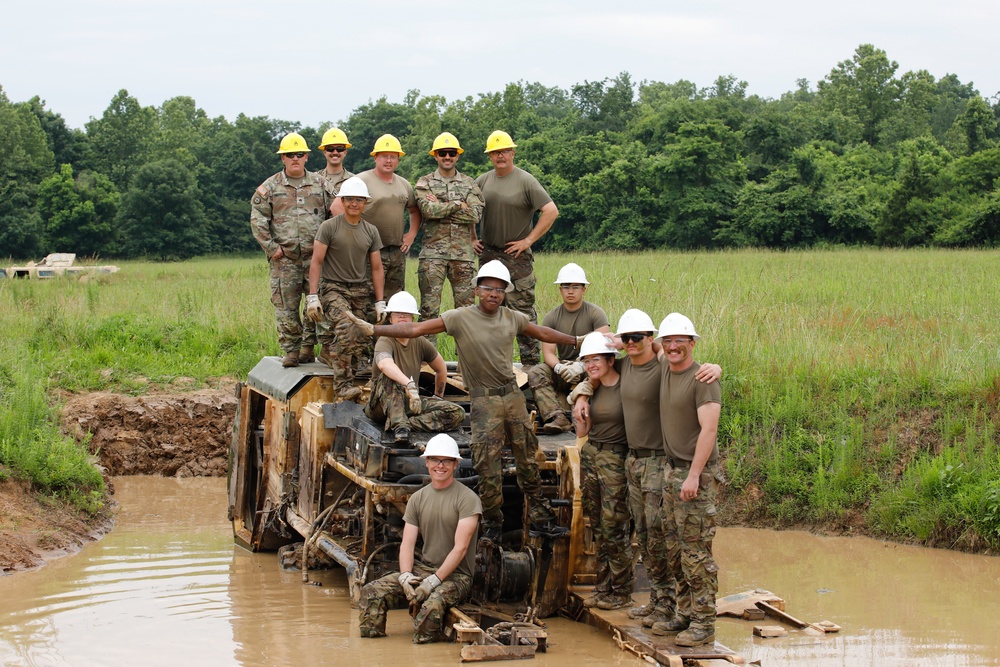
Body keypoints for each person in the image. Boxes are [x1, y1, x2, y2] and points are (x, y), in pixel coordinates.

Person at [348, 260, 583, 540]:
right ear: (476, 290)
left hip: (513, 397)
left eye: (499, 289)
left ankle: (541, 520)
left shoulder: (512, 317)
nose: (493, 294)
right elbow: (414, 329)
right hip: (484, 402)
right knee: (488, 467)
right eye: (488, 288)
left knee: (528, 461)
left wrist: (576, 340)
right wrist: (375, 330)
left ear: (505, 293)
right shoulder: (459, 318)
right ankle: (493, 527)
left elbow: (542, 332)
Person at [572, 309, 720, 631]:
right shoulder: (624, 365)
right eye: (626, 338)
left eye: (638, 337)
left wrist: (715, 367)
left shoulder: (664, 365)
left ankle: (670, 605)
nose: (632, 342)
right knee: (643, 532)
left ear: (650, 338)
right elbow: (598, 369)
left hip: (659, 461)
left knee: (659, 536)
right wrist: (582, 393)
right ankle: (658, 600)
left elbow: (685, 362)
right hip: (633, 461)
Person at [358, 434, 482, 643]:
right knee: (372, 592)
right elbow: (407, 544)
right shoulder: (418, 499)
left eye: (446, 461)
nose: (440, 465)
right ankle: (372, 648)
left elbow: (460, 548)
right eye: (435, 460)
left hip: (457, 576)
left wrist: (434, 581)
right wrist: (406, 576)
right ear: (426, 462)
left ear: (455, 464)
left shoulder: (468, 499)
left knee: (431, 606)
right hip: (424, 569)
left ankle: (425, 648)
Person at [648, 314, 722, 648]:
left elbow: (709, 430)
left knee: (696, 552)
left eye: (680, 340)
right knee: (674, 548)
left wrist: (693, 475)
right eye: (668, 340)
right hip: (671, 471)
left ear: (693, 343)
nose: (673, 346)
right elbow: (646, 344)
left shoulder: (703, 379)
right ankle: (685, 613)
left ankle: (704, 623)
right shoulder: (666, 364)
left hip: (696, 475)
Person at [474, 130, 558, 368]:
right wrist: (472, 237)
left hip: (516, 256)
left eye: (504, 151)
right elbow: (468, 209)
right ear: (490, 156)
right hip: (489, 255)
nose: (500, 156)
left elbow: (551, 211)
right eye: (495, 152)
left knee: (522, 312)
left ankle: (531, 367)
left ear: (512, 153)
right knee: (489, 310)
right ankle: (491, 365)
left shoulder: (526, 180)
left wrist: (528, 240)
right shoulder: (482, 181)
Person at [250, 132, 330, 367]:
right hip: (285, 259)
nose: (295, 158)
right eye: (290, 154)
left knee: (318, 303)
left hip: (316, 258)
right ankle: (292, 350)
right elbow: (258, 219)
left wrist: (330, 246)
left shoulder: (320, 184)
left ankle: (309, 347)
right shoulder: (270, 187)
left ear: (306, 157)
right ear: (282, 158)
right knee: (286, 307)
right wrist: (271, 247)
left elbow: (335, 213)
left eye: (299, 154)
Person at [305, 176, 384, 402]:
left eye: (359, 200)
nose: (354, 204)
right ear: (342, 201)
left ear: (365, 203)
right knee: (346, 327)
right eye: (349, 199)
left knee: (361, 334)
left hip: (359, 289)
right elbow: (316, 262)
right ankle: (343, 386)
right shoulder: (329, 227)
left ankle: (336, 359)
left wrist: (380, 301)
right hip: (333, 287)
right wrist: (312, 296)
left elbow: (377, 268)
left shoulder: (371, 231)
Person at [574, 332, 633, 611]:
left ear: (611, 360)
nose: (591, 365)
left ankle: (621, 590)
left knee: (614, 525)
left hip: (615, 457)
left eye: (596, 359)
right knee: (596, 524)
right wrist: (579, 407)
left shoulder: (627, 383)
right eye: (587, 361)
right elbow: (582, 432)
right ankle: (603, 586)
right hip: (592, 453)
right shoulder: (591, 388)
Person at [364, 290, 466, 442]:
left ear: (413, 318)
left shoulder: (419, 341)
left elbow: (440, 368)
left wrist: (437, 397)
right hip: (382, 405)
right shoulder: (385, 340)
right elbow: (385, 364)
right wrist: (409, 384)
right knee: (389, 378)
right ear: (390, 318)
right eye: (398, 314)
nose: (402, 317)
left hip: (411, 402)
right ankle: (400, 426)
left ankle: (409, 423)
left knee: (456, 413)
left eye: (406, 314)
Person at [414, 132, 484, 346]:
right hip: (432, 256)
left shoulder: (470, 183)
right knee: (429, 311)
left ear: (457, 155)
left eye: (451, 153)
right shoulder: (424, 182)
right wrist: (458, 204)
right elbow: (428, 211)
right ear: (435, 155)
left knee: (466, 313)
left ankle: (467, 359)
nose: (447, 157)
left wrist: (441, 205)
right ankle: (426, 359)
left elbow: (475, 215)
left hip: (462, 257)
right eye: (442, 153)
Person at [527, 263, 609, 434]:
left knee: (604, 370)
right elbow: (548, 353)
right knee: (536, 372)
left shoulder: (596, 313)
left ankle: (593, 415)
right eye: (566, 287)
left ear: (584, 289)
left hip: (588, 367)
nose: (570, 291)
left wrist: (581, 365)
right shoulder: (551, 317)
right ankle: (556, 417)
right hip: (564, 369)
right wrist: (559, 367)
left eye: (575, 287)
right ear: (560, 290)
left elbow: (604, 343)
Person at [357, 134, 421, 302]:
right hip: (370, 251)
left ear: (398, 160)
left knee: (395, 300)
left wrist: (411, 234)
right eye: (384, 156)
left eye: (393, 157)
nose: (388, 160)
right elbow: (338, 208)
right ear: (375, 157)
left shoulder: (404, 184)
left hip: (397, 252)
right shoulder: (361, 180)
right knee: (368, 299)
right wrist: (354, 237)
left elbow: (414, 210)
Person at [316, 127, 355, 215]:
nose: (335, 152)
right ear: (324, 152)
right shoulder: (314, 180)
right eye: (330, 149)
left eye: (339, 149)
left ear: (345, 152)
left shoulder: (354, 181)